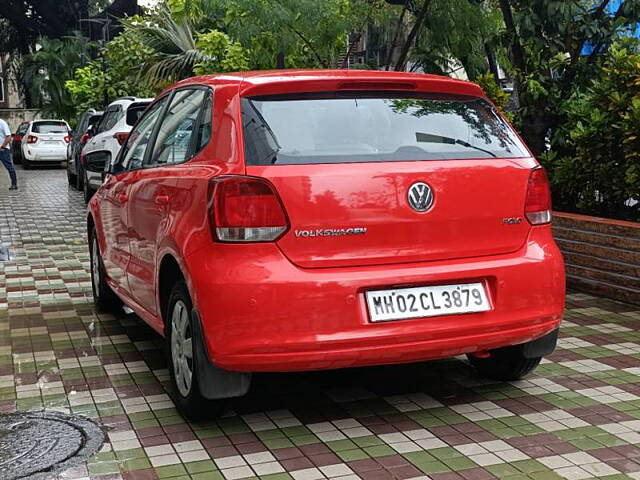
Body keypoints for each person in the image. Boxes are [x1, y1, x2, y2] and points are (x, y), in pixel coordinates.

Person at [0, 117, 17, 190]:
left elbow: (9, 136)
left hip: (3, 150)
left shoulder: (2, 123)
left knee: (9, 167)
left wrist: (3, 147)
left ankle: (14, 184)